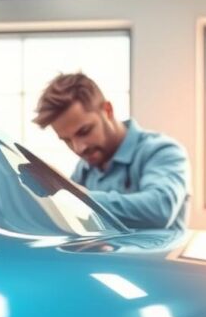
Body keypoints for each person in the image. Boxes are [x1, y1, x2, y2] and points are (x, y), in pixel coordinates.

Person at [33, 72, 189, 231]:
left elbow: (159, 210)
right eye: (66, 140)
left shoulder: (162, 151)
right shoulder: (85, 168)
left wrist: (76, 195)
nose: (79, 148)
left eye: (84, 131)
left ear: (108, 110)